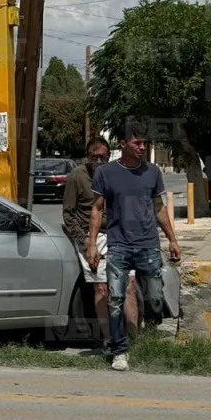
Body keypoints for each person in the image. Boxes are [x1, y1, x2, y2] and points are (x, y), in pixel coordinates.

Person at [87, 120, 181, 372]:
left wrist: (172, 239)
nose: (142, 147)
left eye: (145, 143)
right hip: (118, 246)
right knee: (115, 298)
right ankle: (120, 351)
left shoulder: (152, 172)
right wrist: (92, 244)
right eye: (137, 142)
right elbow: (96, 209)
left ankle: (148, 339)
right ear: (124, 144)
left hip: (148, 245)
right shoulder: (106, 173)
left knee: (155, 298)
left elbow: (159, 208)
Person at [63, 138, 136, 351]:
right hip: (92, 237)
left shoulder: (117, 173)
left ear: (108, 156)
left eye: (102, 157)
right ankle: (109, 340)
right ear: (87, 158)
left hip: (118, 234)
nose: (98, 161)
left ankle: (135, 340)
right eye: (94, 157)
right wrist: (85, 241)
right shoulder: (77, 176)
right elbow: (68, 214)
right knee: (101, 288)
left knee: (129, 286)